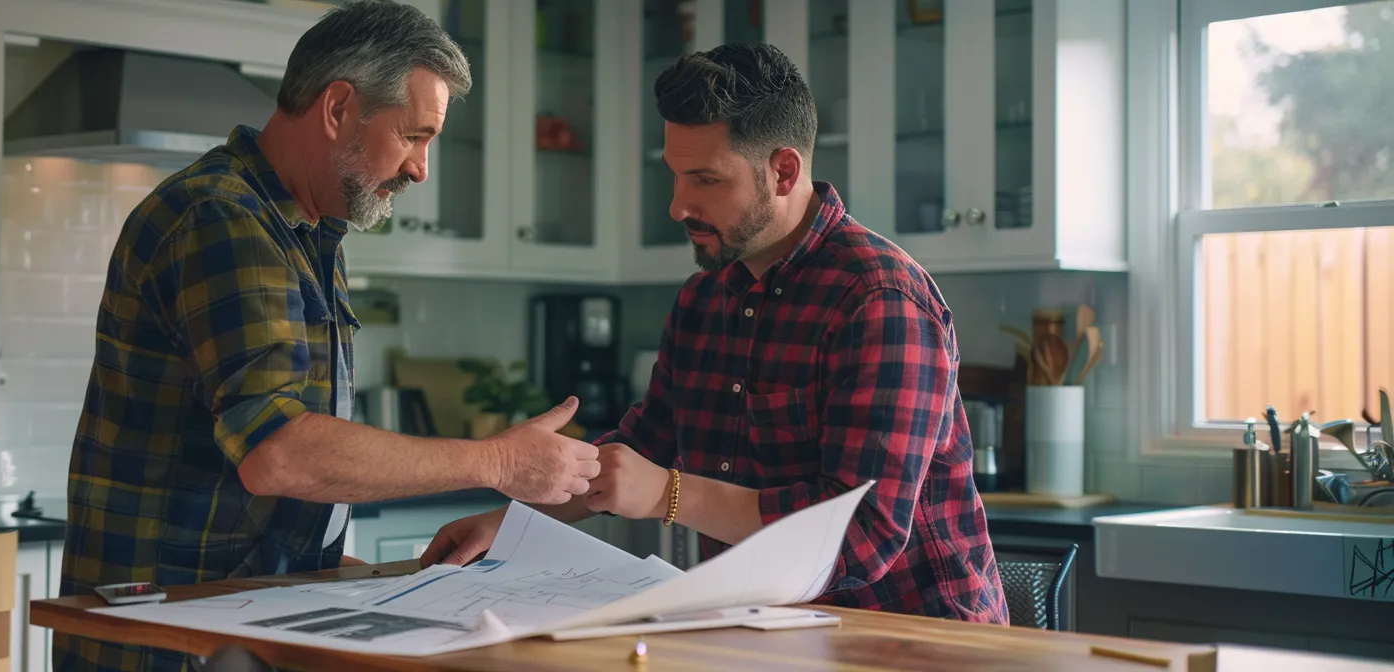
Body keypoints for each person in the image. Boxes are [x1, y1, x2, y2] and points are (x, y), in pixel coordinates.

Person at [56, 2, 601, 669]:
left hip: (237, 617)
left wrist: (332, 565)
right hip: (169, 638)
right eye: (414, 136)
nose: (422, 168)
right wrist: (499, 463)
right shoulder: (222, 217)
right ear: (339, 107)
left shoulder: (308, 231)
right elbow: (278, 453)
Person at [421, 43, 1008, 624]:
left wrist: (664, 495)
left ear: (783, 172)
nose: (678, 206)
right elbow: (641, 448)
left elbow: (862, 536)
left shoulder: (880, 300)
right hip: (767, 636)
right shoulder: (704, 299)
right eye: (675, 177)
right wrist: (507, 526)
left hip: (916, 641)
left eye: (704, 179)